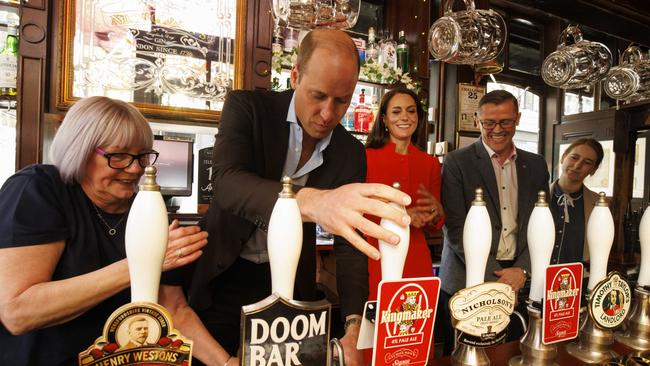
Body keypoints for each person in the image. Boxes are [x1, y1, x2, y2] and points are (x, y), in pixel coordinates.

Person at [188, 29, 411, 366]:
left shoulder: (350, 151)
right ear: (294, 76)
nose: (327, 113)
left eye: (342, 100)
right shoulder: (247, 108)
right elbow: (227, 184)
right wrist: (314, 202)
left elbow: (349, 245)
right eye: (317, 95)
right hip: (225, 277)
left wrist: (353, 326)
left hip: (294, 286)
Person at [0, 96, 229, 365]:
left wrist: (226, 362)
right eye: (118, 156)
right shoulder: (40, 189)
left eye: (142, 155)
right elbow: (18, 313)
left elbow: (174, 310)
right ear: (80, 150)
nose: (135, 168)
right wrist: (145, 261)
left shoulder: (148, 208)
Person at [437, 90, 550, 354]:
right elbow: (454, 226)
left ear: (518, 119)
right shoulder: (457, 162)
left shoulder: (535, 165)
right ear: (478, 121)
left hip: (519, 282)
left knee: (512, 353)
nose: (497, 129)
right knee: (462, 357)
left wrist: (521, 271)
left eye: (506, 122)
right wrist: (496, 277)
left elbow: (542, 223)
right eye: (489, 122)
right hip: (467, 280)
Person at [364, 87, 445, 300]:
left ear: (418, 117)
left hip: (416, 257)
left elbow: (436, 222)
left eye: (411, 111)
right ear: (384, 119)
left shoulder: (430, 163)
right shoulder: (366, 158)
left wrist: (434, 213)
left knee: (416, 327)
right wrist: (406, 216)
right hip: (375, 255)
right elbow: (358, 212)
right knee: (380, 324)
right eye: (396, 111)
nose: (405, 117)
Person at [549, 138, 603, 265]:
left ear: (593, 170)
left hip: (578, 279)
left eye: (587, 162)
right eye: (574, 157)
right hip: (535, 276)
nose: (578, 165)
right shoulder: (535, 196)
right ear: (563, 158)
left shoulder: (599, 204)